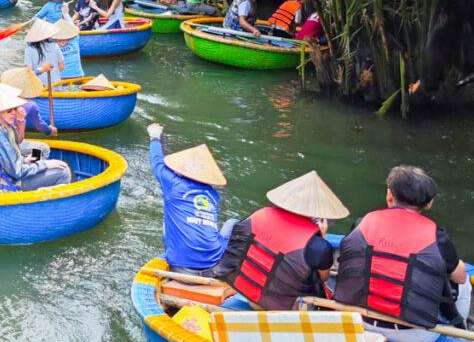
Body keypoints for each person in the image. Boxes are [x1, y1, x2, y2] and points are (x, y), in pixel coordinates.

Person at [334, 166, 470, 342]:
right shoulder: (438, 236)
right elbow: (459, 278)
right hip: (413, 336)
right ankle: (458, 338)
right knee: (465, 280)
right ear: (429, 203)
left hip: (357, 322)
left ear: (389, 195)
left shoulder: (363, 222)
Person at [214, 171, 349, 310]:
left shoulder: (257, 216)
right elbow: (323, 278)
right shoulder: (318, 246)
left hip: (249, 296)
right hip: (282, 307)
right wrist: (321, 238)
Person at [147, 123, 229, 276]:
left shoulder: (174, 184)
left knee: (167, 224)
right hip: (213, 268)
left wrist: (155, 137)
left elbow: (157, 162)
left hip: (180, 266)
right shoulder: (213, 195)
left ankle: (179, 256)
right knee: (231, 223)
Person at [0, 81, 71, 193]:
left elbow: (16, 143)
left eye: (15, 108)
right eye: (9, 110)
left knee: (41, 150)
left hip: (5, 171)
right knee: (64, 172)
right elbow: (17, 172)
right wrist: (45, 164)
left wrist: (25, 160)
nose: (13, 113)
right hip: (1, 184)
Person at [0, 66, 57, 142]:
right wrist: (50, 130)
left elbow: (26, 78)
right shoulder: (30, 105)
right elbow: (39, 125)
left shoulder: (2, 96)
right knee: (43, 149)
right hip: (10, 140)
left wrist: (41, 69)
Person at [24, 18, 65, 89]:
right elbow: (61, 67)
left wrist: (41, 69)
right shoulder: (55, 45)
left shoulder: (29, 50)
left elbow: (29, 74)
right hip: (57, 86)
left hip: (41, 89)